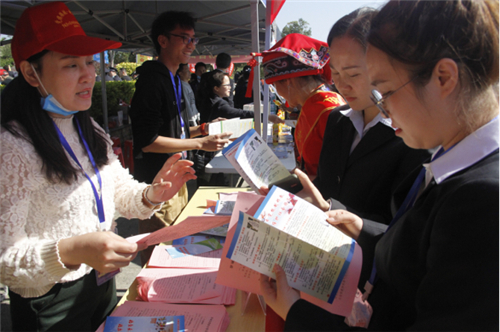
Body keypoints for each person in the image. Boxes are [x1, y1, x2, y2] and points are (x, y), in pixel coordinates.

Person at [260, 1, 499, 330]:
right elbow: (415, 257)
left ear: (444, 78)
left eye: (385, 89)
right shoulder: (453, 164)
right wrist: (359, 227)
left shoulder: (484, 198)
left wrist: (297, 314)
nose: (382, 105)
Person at [0, 2, 196, 331]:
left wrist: (151, 193)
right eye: (70, 65)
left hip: (101, 280)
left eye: (90, 62)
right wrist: (72, 250)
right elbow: (6, 261)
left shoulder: (87, 127)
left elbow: (116, 187)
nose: (88, 74)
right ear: (31, 72)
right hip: (50, 300)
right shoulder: (11, 147)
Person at [129, 10, 231, 265]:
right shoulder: (152, 80)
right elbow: (149, 141)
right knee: (158, 253)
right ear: (162, 41)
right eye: (184, 38)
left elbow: (177, 131)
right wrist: (199, 143)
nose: (191, 45)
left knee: (174, 249)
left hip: (178, 179)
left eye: (193, 39)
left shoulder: (175, 80)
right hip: (157, 182)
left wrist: (205, 129)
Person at [257, 33, 346, 177]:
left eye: (274, 84)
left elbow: (337, 173)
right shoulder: (312, 103)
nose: (277, 91)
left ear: (287, 81)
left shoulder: (329, 109)